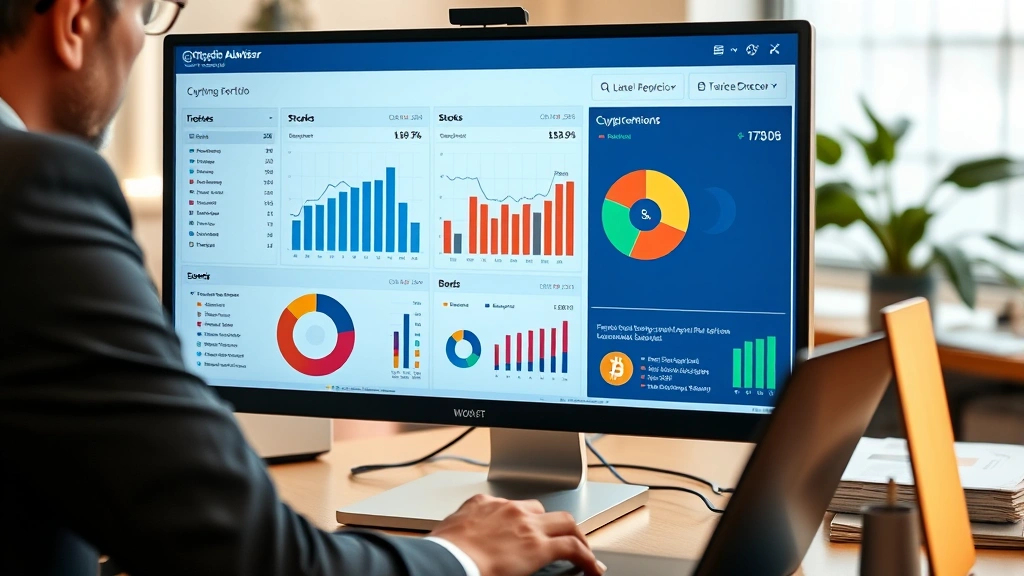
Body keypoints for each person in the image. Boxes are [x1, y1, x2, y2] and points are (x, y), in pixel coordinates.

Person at [0, 2, 607, 575]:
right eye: (144, 12)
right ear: (75, 21)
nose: (139, 41)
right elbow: (253, 557)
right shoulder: (35, 190)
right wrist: (460, 556)